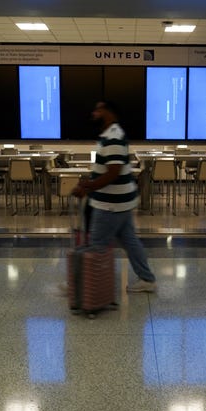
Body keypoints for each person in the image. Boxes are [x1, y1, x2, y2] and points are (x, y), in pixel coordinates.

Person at [72, 101, 156, 293]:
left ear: (109, 112)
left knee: (96, 245)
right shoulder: (109, 135)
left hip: (111, 204)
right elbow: (108, 170)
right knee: (130, 241)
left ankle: (78, 287)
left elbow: (113, 173)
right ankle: (147, 279)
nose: (93, 113)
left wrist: (88, 188)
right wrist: (90, 183)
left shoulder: (114, 138)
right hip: (120, 201)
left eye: (98, 109)